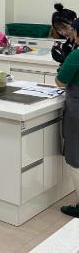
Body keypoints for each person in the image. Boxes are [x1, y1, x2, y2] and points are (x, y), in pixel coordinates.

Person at [55, 18, 79, 218]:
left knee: (76, 158)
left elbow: (61, 82)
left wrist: (64, 63)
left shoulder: (76, 55)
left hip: (77, 111)